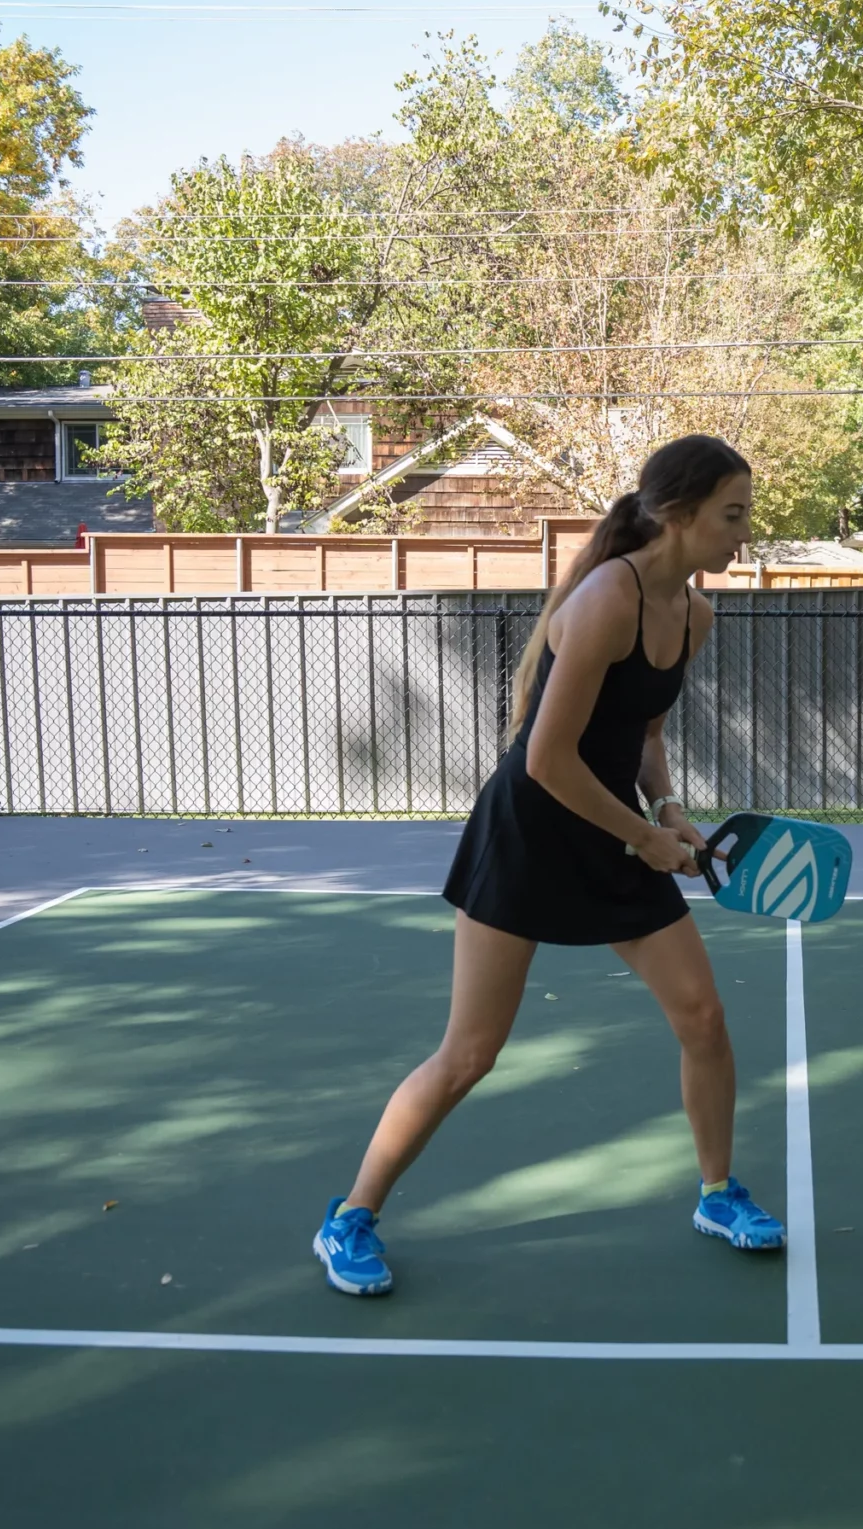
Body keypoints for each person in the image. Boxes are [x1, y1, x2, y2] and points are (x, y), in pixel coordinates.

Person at [313, 435, 785, 1297]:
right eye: (733, 514)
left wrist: (669, 808)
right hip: (531, 831)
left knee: (704, 1018)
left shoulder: (697, 613)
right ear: (678, 516)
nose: (743, 533)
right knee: (469, 1053)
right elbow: (547, 760)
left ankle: (718, 1192)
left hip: (611, 828)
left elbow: (643, 731)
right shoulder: (609, 598)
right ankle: (350, 1216)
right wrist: (643, 838)